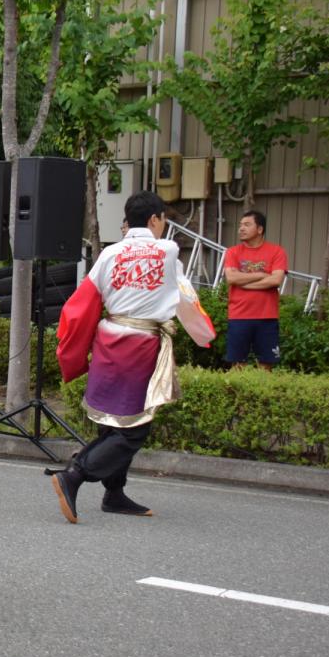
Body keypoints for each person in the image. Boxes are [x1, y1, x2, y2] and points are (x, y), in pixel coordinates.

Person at [49, 191, 214, 524]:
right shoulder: (168, 251)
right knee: (134, 427)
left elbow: (83, 303)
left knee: (114, 422)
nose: (163, 225)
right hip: (140, 346)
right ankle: (75, 475)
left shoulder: (111, 252)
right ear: (154, 219)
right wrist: (203, 333)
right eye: (163, 219)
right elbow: (184, 296)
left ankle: (114, 493)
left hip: (109, 339)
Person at [223, 210, 287, 371]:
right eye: (240, 225)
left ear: (260, 229)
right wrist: (260, 274)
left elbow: (276, 280)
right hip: (238, 315)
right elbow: (231, 278)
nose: (241, 228)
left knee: (266, 365)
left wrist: (243, 282)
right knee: (237, 364)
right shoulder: (233, 252)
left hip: (267, 316)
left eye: (247, 224)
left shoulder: (277, 251)